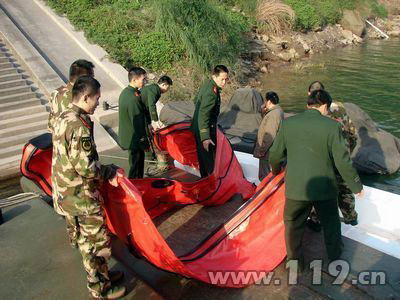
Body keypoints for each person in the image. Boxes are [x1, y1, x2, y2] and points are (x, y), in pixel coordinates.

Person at [269, 89, 363, 269]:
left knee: (293, 224)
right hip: (324, 188)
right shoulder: (332, 126)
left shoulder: (289, 124)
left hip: (297, 187)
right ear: (325, 106)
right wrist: (356, 186)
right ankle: (335, 256)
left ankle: (295, 261)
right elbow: (342, 161)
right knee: (331, 223)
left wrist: (275, 171)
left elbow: (274, 155)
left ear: (308, 105)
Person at [52, 76, 125, 299]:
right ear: (85, 97)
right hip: (81, 197)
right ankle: (100, 288)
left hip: (66, 193)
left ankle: (103, 275)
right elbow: (87, 168)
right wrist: (108, 171)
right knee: (96, 243)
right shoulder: (78, 125)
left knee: (86, 240)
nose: (97, 103)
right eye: (96, 99)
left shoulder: (64, 116)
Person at [48, 59, 95, 249]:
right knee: (84, 211)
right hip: (78, 165)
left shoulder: (56, 95)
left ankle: (75, 239)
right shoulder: (79, 100)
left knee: (69, 211)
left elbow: (51, 126)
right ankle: (92, 257)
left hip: (60, 161)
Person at [307, 81, 359, 231]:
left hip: (325, 160)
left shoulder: (313, 115)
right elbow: (352, 135)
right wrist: (347, 152)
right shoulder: (340, 110)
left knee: (320, 189)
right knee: (345, 188)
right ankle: (351, 218)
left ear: (309, 94)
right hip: (343, 157)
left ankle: (317, 221)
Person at [191, 65, 229, 177]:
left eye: (226, 79)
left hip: (199, 126)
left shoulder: (208, 84)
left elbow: (196, 100)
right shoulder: (211, 93)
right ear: (214, 77)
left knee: (203, 158)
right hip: (204, 128)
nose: (224, 82)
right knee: (208, 160)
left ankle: (205, 179)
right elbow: (204, 114)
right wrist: (205, 137)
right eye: (222, 79)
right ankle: (209, 184)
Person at [48, 59, 95, 133]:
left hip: (57, 139)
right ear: (84, 78)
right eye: (92, 77)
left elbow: (51, 125)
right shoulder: (80, 100)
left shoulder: (55, 93)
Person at [118, 67, 149, 179]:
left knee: (135, 165)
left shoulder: (126, 93)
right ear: (134, 80)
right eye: (143, 79)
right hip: (134, 139)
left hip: (130, 137)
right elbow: (138, 123)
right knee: (136, 168)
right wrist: (144, 141)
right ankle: (135, 189)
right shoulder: (132, 98)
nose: (144, 82)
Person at [140, 75, 173, 172]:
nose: (168, 89)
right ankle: (150, 160)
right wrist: (155, 121)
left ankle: (152, 158)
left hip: (143, 113)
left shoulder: (153, 88)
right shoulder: (154, 90)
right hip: (140, 113)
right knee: (147, 135)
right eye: (168, 86)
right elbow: (151, 105)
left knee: (148, 134)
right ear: (164, 84)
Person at [253, 91, 284, 181]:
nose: (264, 104)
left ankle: (263, 193)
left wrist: (261, 151)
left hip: (267, 153)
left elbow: (269, 135)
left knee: (264, 177)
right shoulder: (278, 111)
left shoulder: (273, 115)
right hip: (271, 151)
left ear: (269, 102)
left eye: (265, 101)